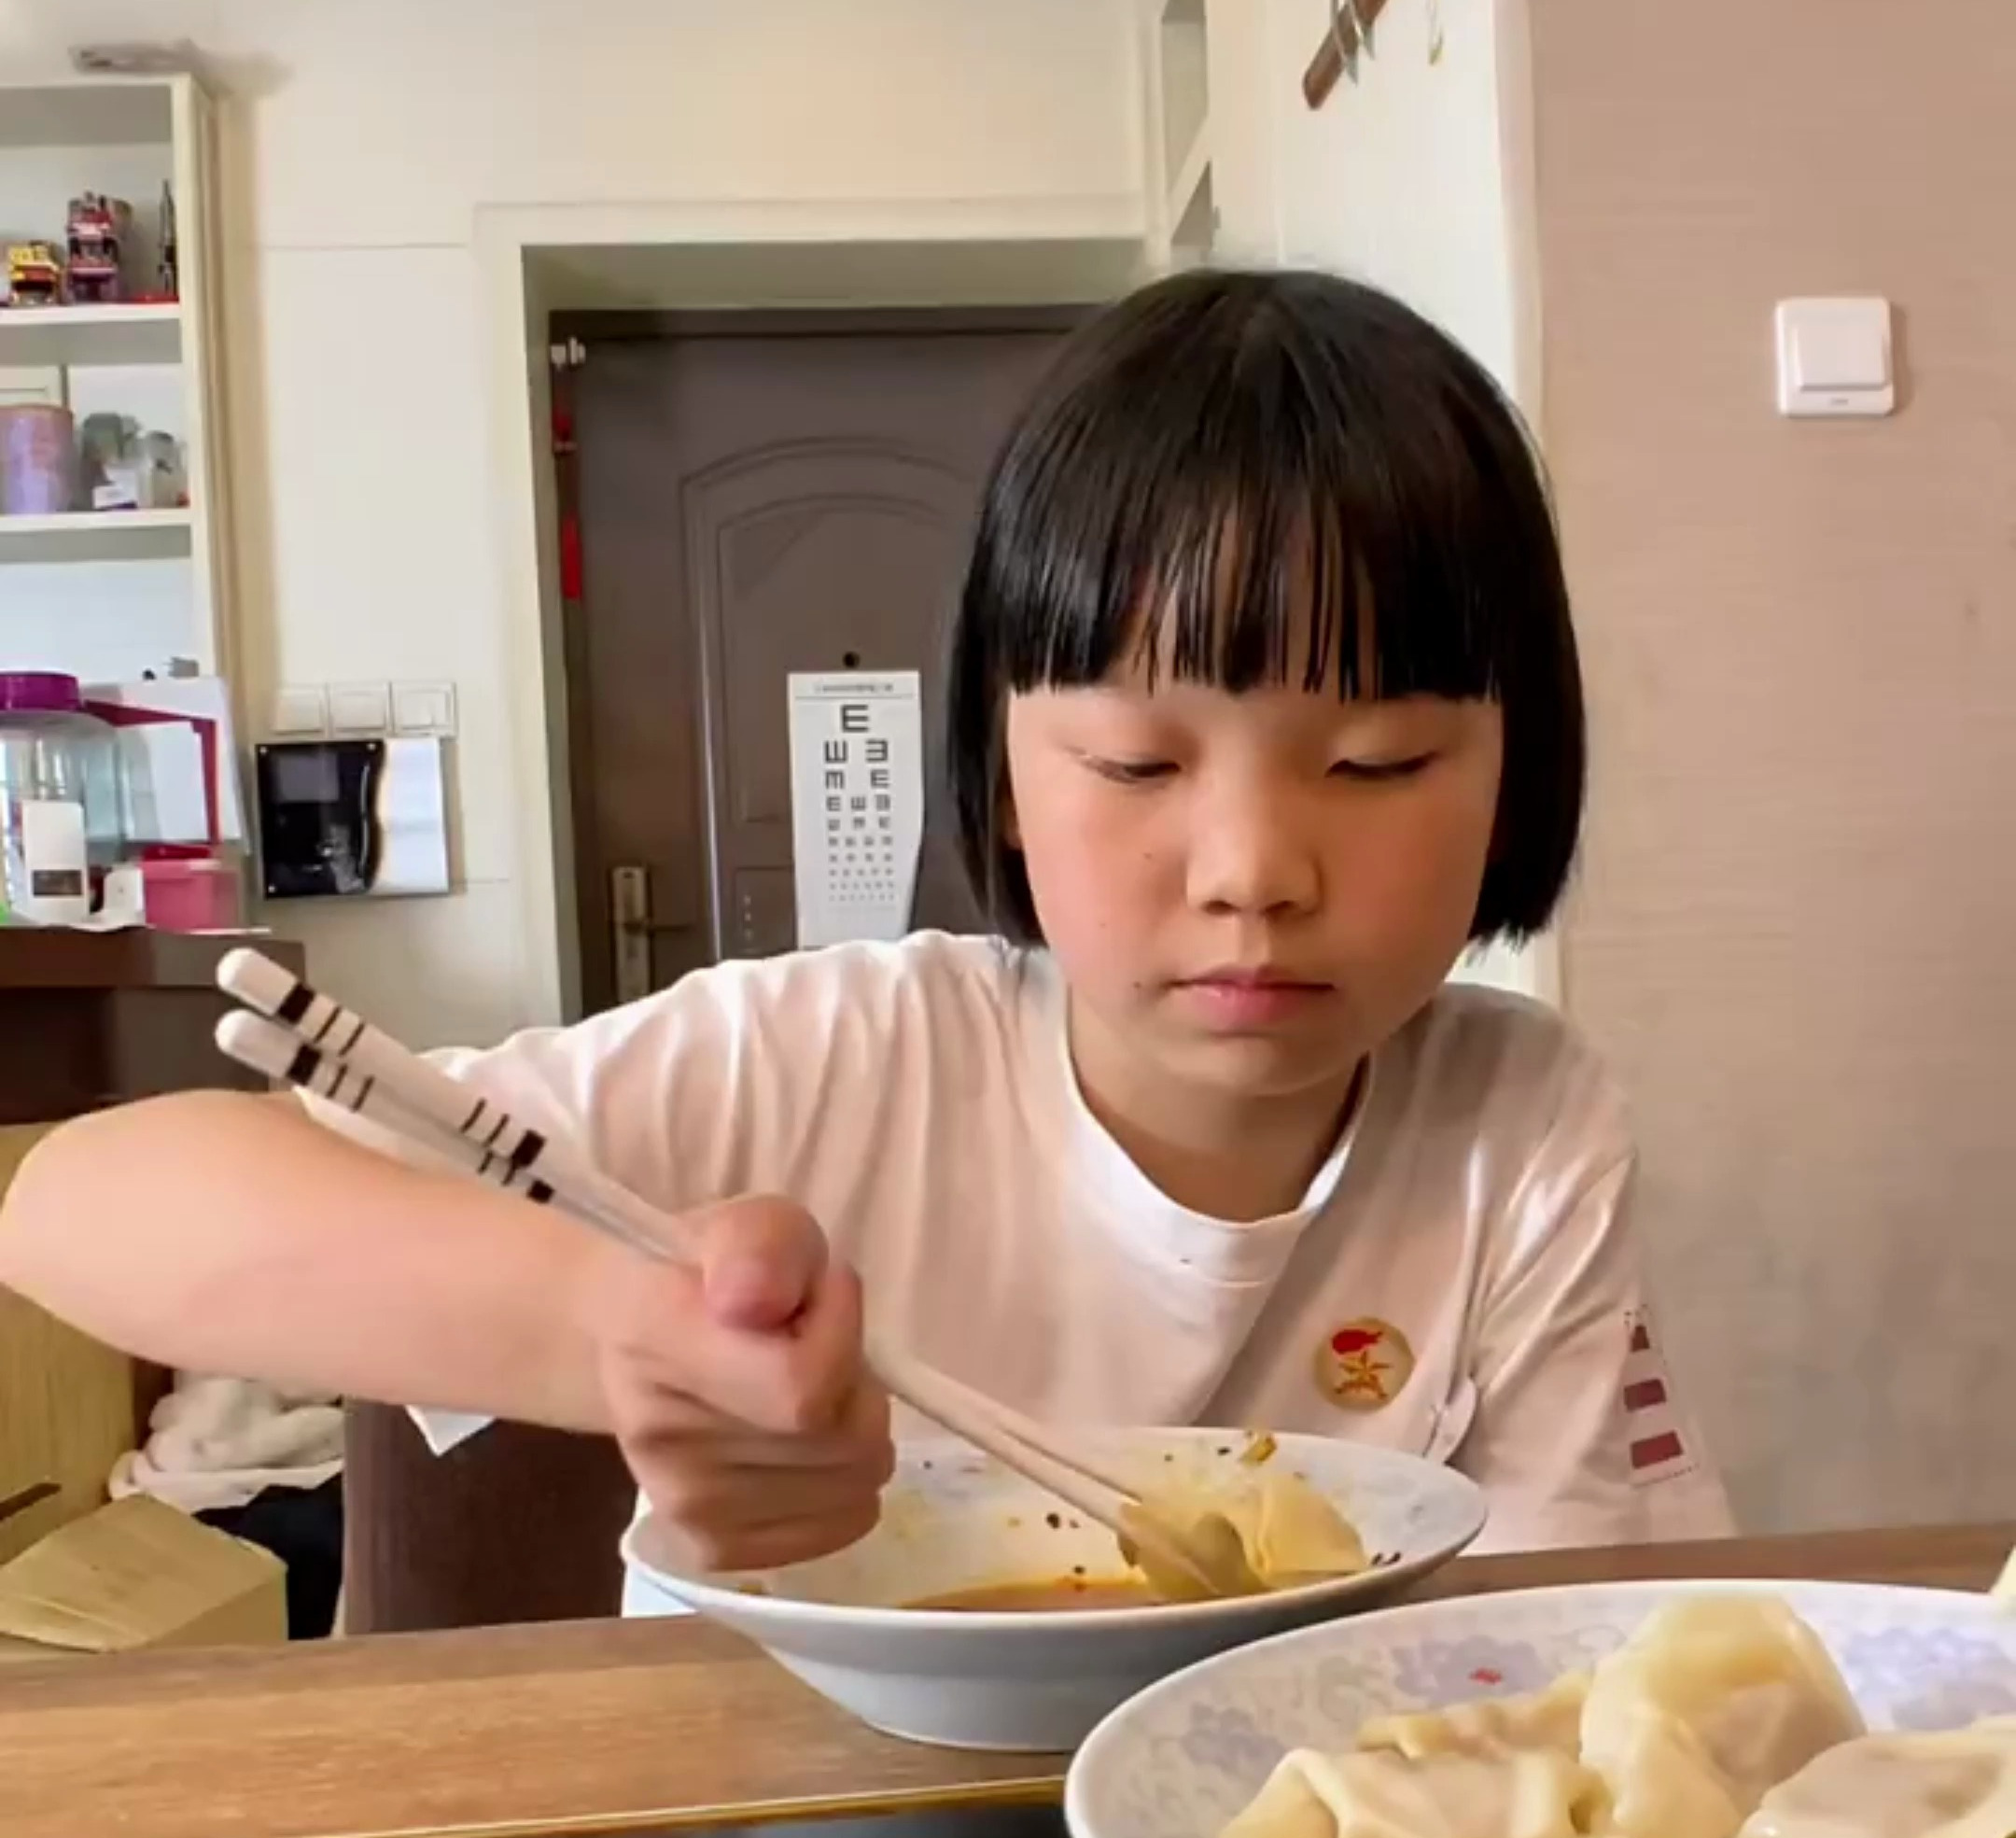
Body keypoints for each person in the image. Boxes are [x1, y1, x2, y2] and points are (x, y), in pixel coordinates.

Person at [0, 269, 1728, 1605]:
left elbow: (1579, 1632)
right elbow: (80, 1206)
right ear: (1001, 768)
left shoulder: (1522, 1125)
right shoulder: (838, 1058)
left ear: (1520, 766)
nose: (1254, 869)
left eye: (1375, 762)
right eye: (1137, 761)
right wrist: (611, 1333)